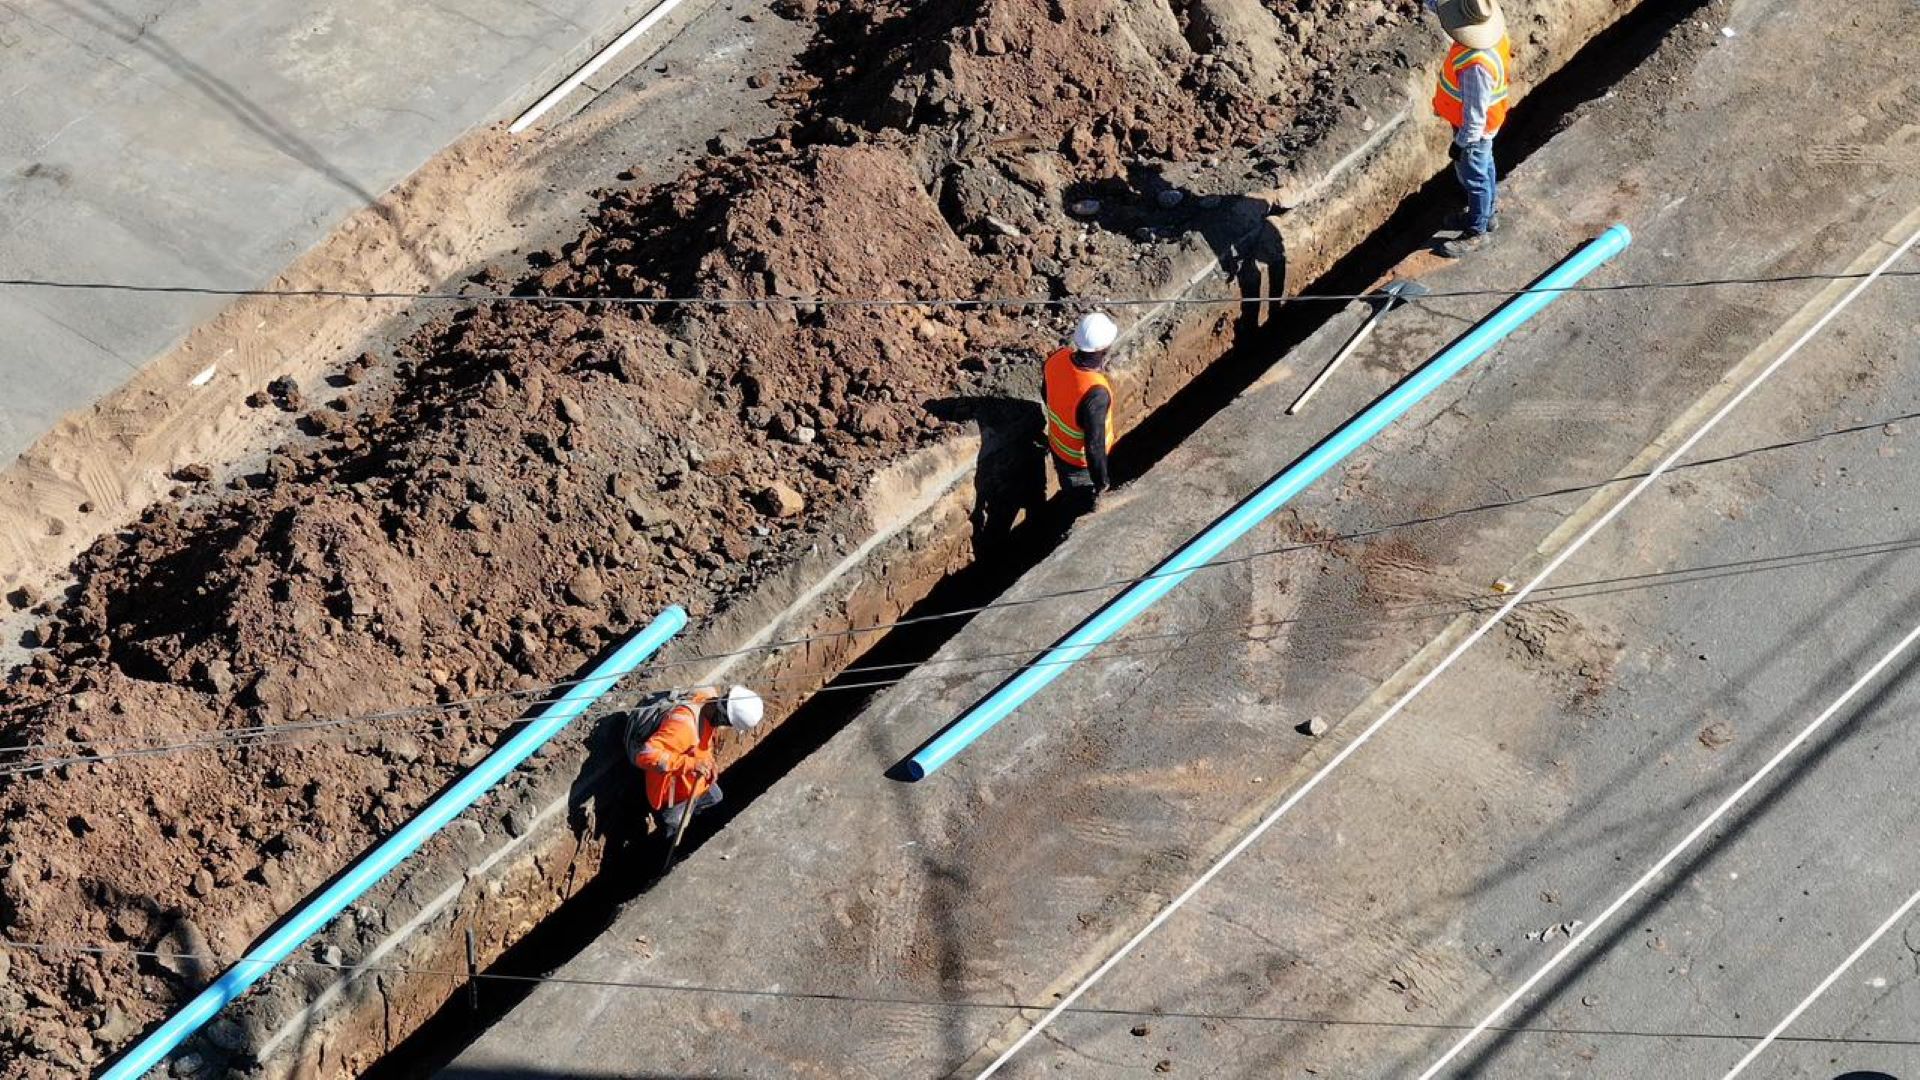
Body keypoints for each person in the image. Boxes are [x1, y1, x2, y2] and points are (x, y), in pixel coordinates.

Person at [1427, 0, 1511, 258]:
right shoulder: (1492, 37)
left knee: (1474, 177)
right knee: (1485, 168)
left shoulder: (1475, 65)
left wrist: (1461, 144)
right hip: (1484, 128)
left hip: (1474, 132)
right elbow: (1439, 7)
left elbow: (1475, 115)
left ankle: (1477, 231)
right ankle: (1487, 213)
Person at [631, 685, 763, 835]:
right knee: (673, 826)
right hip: (671, 794)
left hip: (693, 782)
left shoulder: (707, 700)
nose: (724, 727)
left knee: (715, 798)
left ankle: (694, 831)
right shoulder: (683, 726)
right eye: (728, 723)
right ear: (723, 715)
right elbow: (646, 754)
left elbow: (700, 744)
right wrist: (690, 764)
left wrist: (709, 763)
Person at [1043, 312, 1118, 517]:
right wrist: (1102, 483)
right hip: (1080, 465)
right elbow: (1095, 446)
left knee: (1070, 495)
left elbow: (1046, 393)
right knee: (1082, 513)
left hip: (1058, 448)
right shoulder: (1095, 392)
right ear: (1103, 349)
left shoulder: (1056, 359)